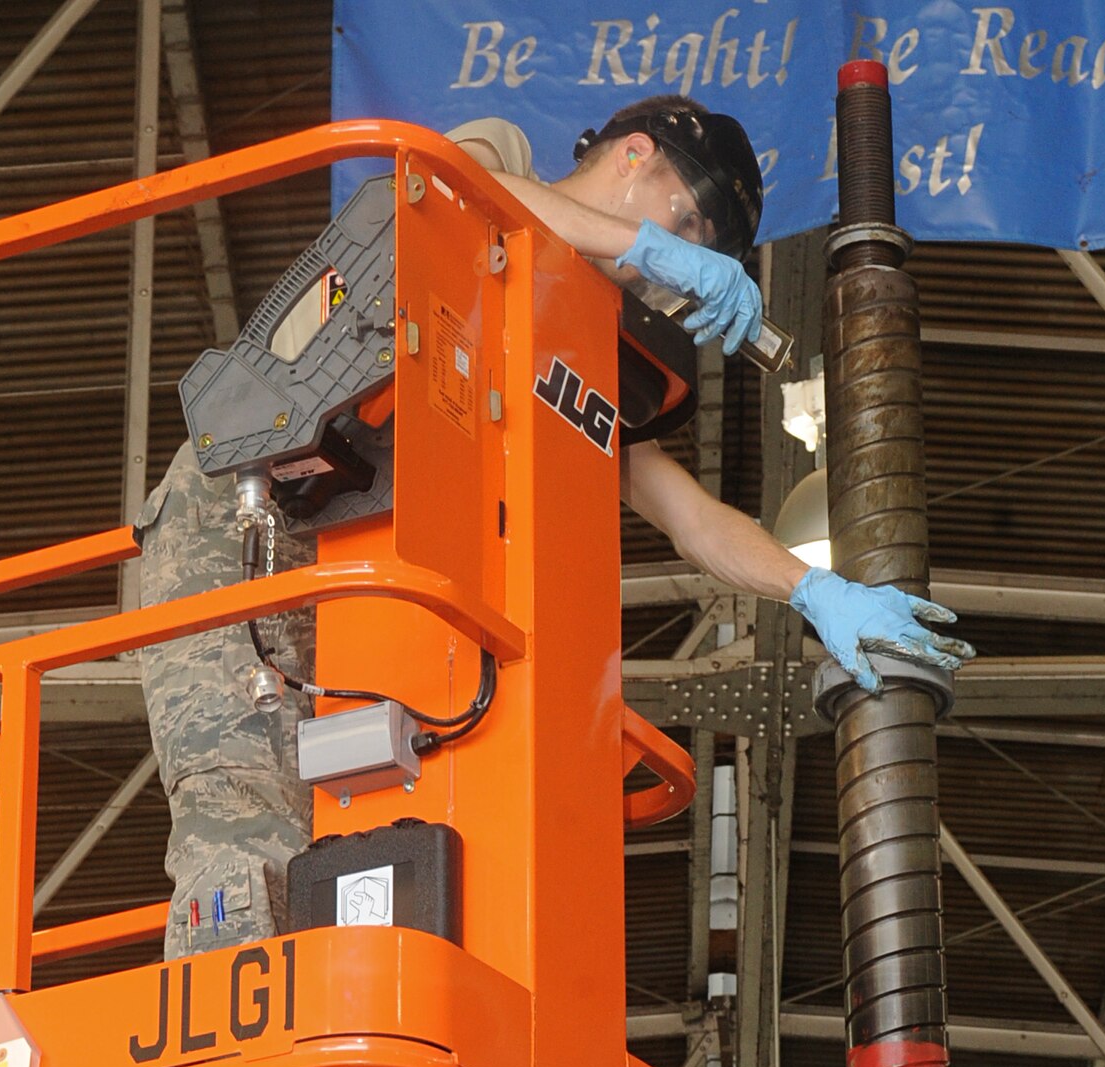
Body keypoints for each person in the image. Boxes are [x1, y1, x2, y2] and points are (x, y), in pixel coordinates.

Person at [137, 95, 968, 958]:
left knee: (347, 826)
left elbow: (689, 518)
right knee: (243, 798)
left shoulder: (562, 354)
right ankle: (222, 1028)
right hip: (240, 522)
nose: (668, 264)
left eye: (694, 248)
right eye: (681, 216)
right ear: (631, 153)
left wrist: (815, 590)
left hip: (368, 585)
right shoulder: (500, 167)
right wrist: (648, 245)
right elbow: (457, 191)